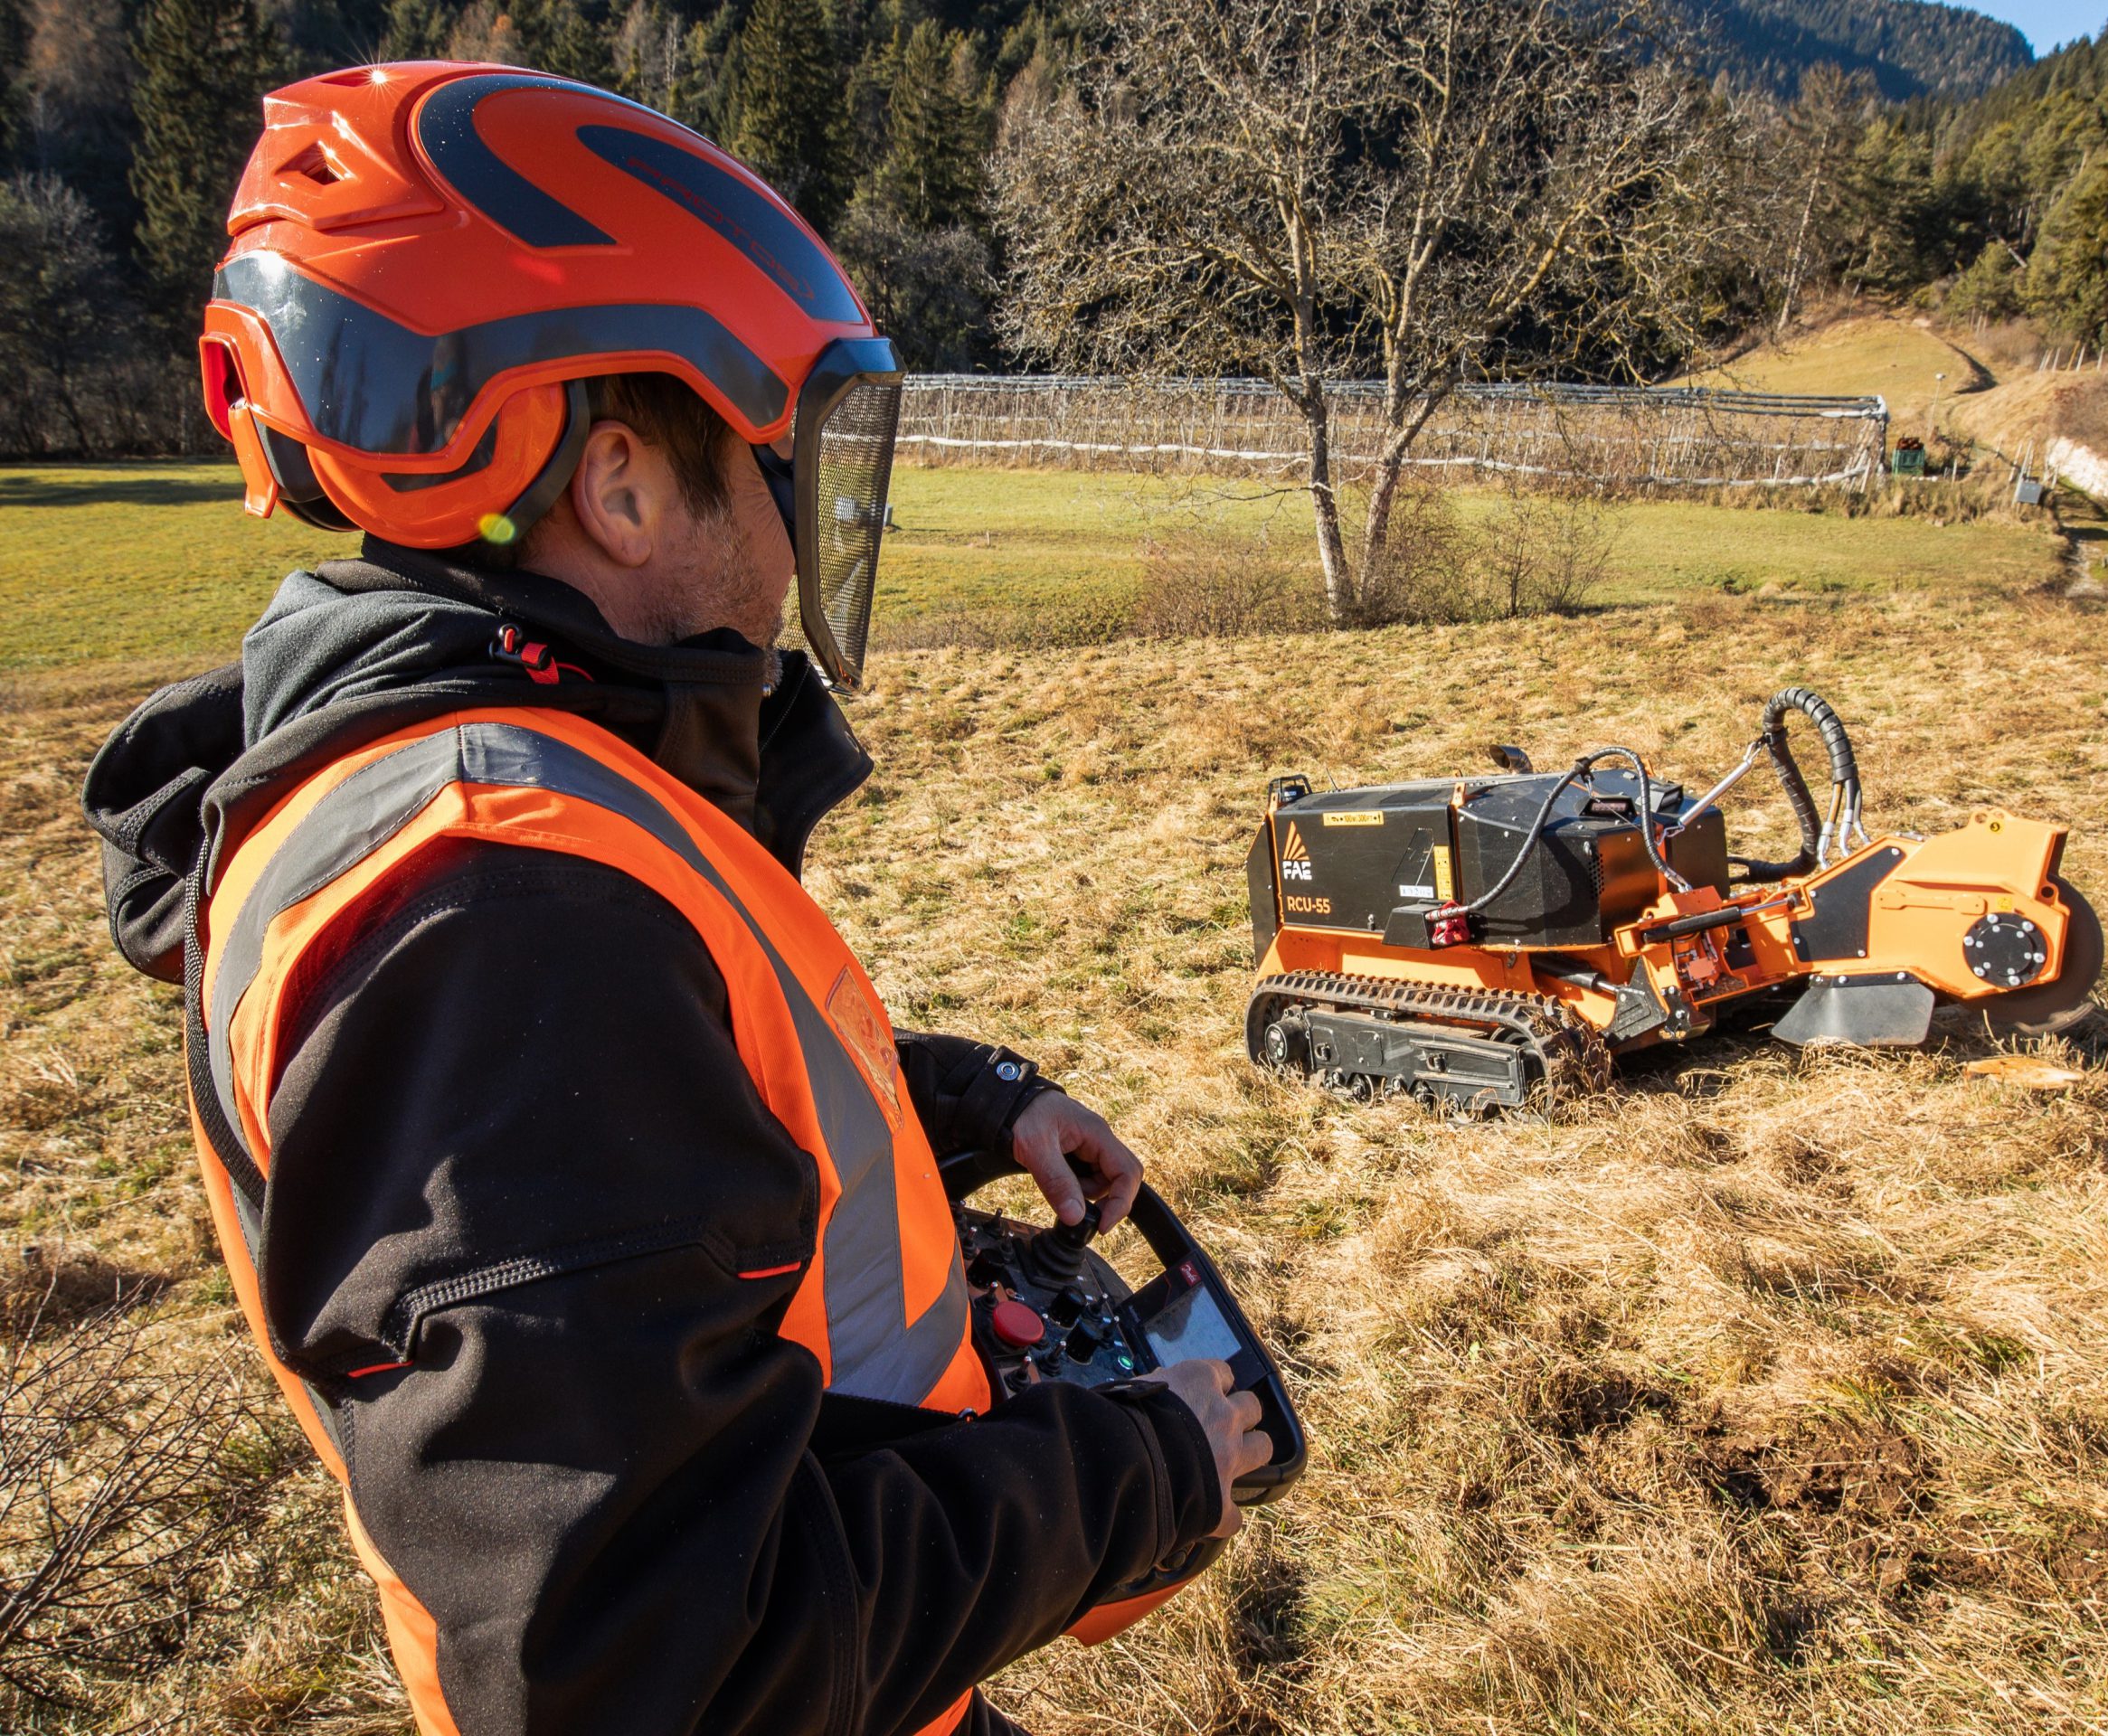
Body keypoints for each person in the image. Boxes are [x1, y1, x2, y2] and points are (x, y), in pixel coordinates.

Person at [81, 62, 1270, 1736]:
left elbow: (650, 1125)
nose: (800, 547)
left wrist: (964, 1103)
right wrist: (1136, 1473)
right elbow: (653, 1672)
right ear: (625, 484)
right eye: (785, 470)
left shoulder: (516, 811)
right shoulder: (492, 907)